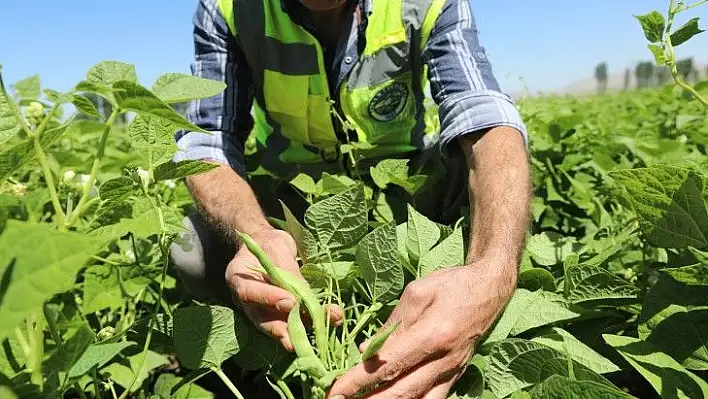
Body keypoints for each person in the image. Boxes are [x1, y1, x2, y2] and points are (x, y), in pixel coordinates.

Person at [170, 0, 531, 397]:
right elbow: (207, 143)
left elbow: (482, 112)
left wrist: (492, 270)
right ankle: (257, 361)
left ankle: (458, 306)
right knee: (193, 246)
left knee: (495, 185)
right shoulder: (228, 9)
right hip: (299, 200)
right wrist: (253, 233)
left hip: (403, 190)